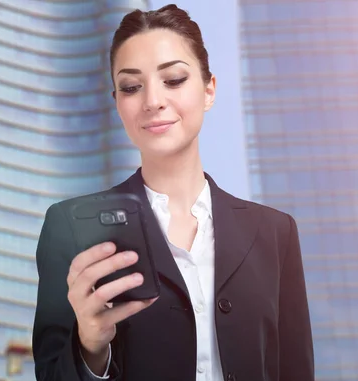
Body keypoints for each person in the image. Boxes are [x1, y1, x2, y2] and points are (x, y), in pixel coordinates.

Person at [32, 4, 314, 381]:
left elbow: (295, 371)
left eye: (174, 79)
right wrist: (90, 345)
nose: (152, 101)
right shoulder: (71, 228)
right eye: (132, 87)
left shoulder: (275, 233)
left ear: (209, 89)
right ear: (117, 102)